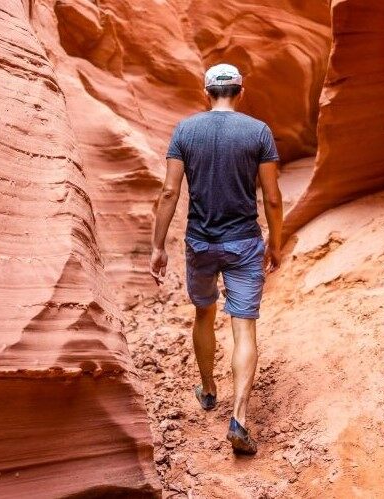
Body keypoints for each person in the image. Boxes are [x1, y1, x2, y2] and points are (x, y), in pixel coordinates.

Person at [149, 63, 283, 455]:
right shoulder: (257, 131)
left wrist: (157, 246)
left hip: (200, 243)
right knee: (244, 328)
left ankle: (208, 389)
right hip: (244, 243)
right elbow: (272, 197)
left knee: (204, 313)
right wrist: (276, 242)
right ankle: (239, 418)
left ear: (205, 92)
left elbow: (170, 192)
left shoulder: (186, 130)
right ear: (241, 92)